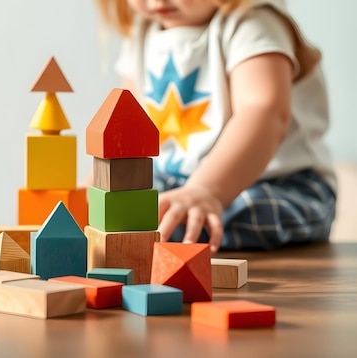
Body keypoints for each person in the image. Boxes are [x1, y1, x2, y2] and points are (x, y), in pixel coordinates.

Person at [89, 0, 337, 252]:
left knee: (247, 211)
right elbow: (123, 132)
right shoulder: (142, 32)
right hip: (177, 184)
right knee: (126, 208)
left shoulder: (250, 24)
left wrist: (206, 190)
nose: (156, 2)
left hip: (278, 184)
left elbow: (264, 112)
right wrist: (95, 193)